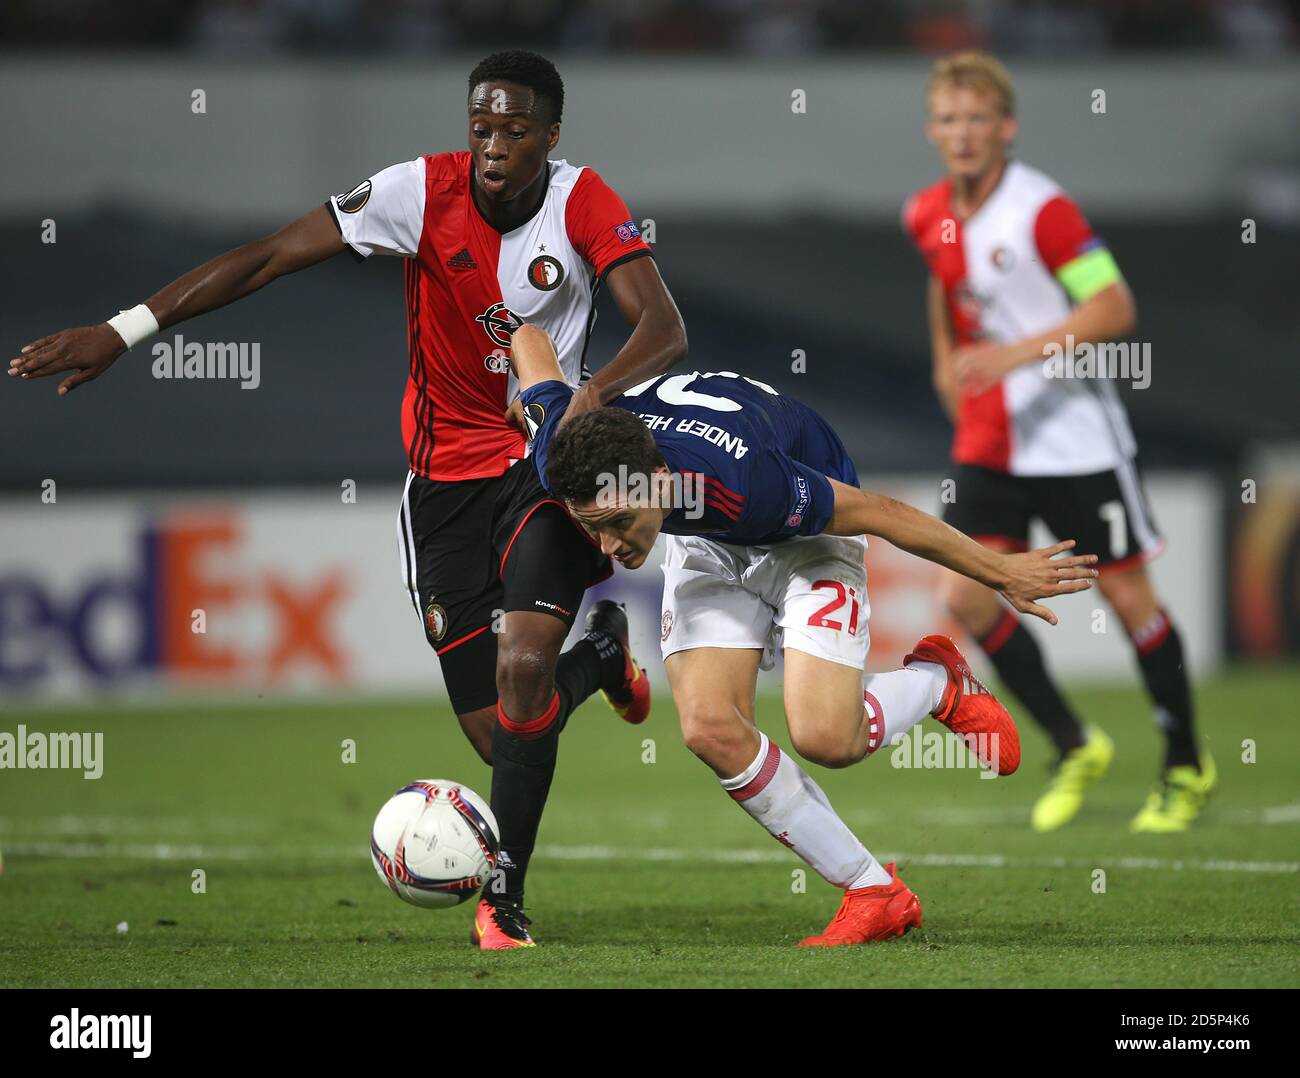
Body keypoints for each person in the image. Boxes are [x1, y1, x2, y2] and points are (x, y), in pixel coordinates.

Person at [8, 50, 688, 948]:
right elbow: (269, 258)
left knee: (524, 669)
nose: (492, 146)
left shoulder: (581, 202)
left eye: (515, 130)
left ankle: (503, 901)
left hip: (540, 468)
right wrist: (123, 329)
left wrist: (585, 402)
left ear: (550, 137)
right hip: (441, 483)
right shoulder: (417, 192)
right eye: (481, 127)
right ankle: (601, 659)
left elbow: (664, 325)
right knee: (501, 735)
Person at [507, 323, 1097, 945]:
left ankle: (937, 682)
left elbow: (882, 513)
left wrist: (1001, 570)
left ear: (657, 478)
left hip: (804, 542)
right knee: (709, 728)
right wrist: (542, 382)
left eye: (620, 522)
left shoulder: (744, 481)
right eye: (592, 525)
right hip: (707, 541)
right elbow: (530, 340)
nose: (609, 546)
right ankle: (873, 890)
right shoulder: (564, 454)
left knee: (826, 737)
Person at [902, 51, 1214, 833]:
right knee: (967, 594)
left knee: (1128, 598)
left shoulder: (1045, 211)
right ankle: (1075, 743)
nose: (963, 133)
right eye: (949, 119)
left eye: (978, 119)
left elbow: (1113, 307)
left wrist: (1011, 354)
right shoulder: (927, 211)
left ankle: (1185, 765)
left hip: (1076, 441)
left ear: (1005, 127)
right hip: (990, 443)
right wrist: (947, 367)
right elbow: (944, 284)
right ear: (932, 129)